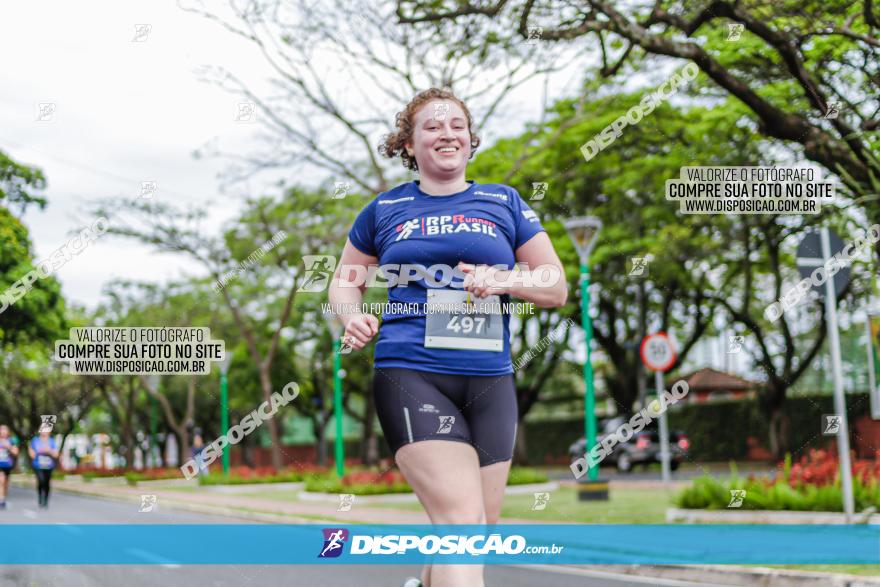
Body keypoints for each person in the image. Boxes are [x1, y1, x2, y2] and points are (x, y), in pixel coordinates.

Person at [328, 88, 567, 587]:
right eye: (432, 126)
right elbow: (344, 281)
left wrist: (504, 280)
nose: (446, 134)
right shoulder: (384, 209)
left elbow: (555, 285)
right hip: (411, 372)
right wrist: (350, 316)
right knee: (461, 526)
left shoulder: (504, 201)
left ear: (470, 137)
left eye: (456, 124)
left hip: (490, 382)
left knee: (477, 528)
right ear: (409, 144)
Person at [28, 424, 59, 508]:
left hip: (49, 465)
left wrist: (49, 451)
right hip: (38, 465)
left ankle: (45, 500)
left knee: (47, 483)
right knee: (41, 481)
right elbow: (31, 451)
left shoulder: (51, 441)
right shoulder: (35, 440)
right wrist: (33, 454)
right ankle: (40, 497)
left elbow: (56, 454)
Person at [0, 425, 20, 509]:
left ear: (8, 432)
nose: (3, 432)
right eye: (2, 430)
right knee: (1, 480)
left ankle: (3, 498)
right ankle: (1, 499)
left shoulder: (11, 441)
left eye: (5, 430)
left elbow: (16, 452)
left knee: (6, 483)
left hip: (7, 465)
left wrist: (9, 447)